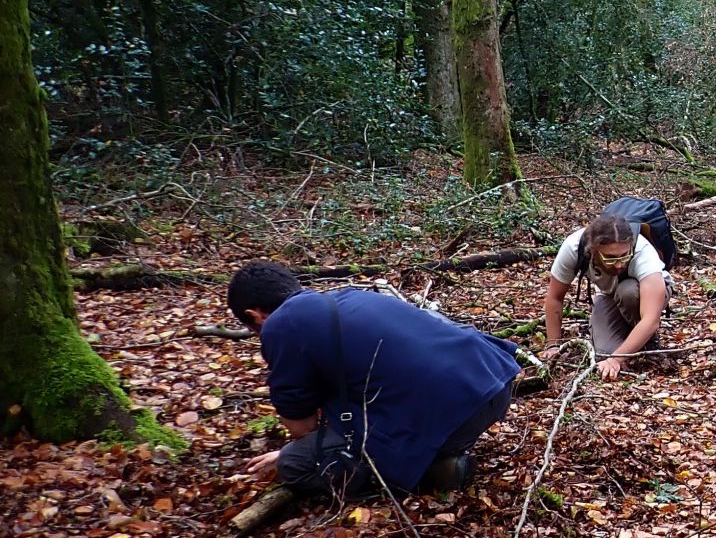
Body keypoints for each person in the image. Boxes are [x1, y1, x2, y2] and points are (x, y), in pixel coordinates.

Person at [228, 261, 519, 499]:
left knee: (294, 464)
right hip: (493, 381)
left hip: (451, 413)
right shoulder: (350, 296)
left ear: (254, 315)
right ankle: (433, 455)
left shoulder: (280, 326)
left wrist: (292, 452)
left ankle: (434, 471)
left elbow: (301, 426)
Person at [544, 210, 672, 380]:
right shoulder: (574, 247)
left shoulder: (642, 252)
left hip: (643, 293)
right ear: (593, 250)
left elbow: (651, 319)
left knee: (628, 292)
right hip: (608, 294)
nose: (619, 264)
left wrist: (616, 359)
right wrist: (553, 345)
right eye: (610, 258)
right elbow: (554, 298)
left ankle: (649, 343)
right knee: (603, 354)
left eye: (624, 256)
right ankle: (630, 340)